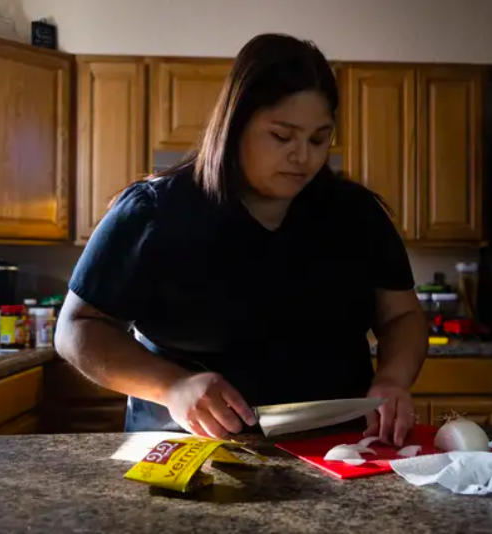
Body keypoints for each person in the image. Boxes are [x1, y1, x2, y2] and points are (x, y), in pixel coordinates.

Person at [54, 34, 428, 447]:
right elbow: (77, 329)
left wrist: (393, 378)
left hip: (338, 451)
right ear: (235, 125)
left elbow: (402, 317)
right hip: (190, 450)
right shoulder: (154, 211)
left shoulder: (357, 215)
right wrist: (173, 387)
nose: (303, 156)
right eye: (282, 137)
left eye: (319, 139)